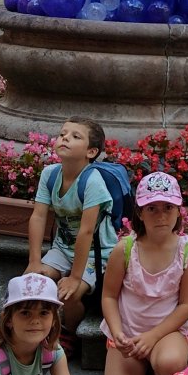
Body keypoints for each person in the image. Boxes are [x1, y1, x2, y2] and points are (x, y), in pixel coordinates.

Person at [100, 172, 188, 375]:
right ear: (140, 213)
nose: (161, 215)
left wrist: (153, 336)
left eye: (168, 207)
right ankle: (139, 372)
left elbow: (187, 304)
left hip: (166, 334)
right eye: (152, 208)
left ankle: (159, 373)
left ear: (178, 211)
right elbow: (109, 296)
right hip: (128, 335)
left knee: (169, 362)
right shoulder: (125, 249)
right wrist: (117, 333)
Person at [27, 117, 118, 341]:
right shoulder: (50, 174)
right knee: (33, 282)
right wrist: (34, 261)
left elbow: (86, 231)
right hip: (62, 248)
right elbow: (38, 216)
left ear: (91, 152)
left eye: (75, 136)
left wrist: (75, 277)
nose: (65, 138)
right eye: (62, 134)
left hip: (96, 253)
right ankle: (38, 331)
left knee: (70, 294)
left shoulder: (92, 182)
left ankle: (69, 335)